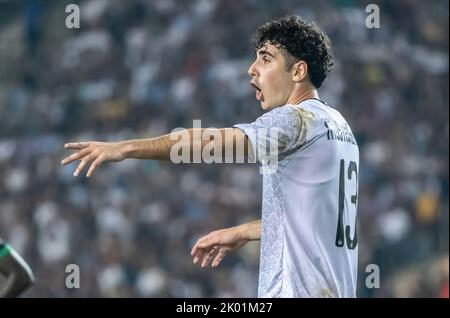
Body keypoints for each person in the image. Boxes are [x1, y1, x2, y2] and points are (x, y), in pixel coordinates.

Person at [61, 16, 359, 297]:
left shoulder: (295, 120)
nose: (252, 69)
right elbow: (312, 225)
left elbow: (209, 143)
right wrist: (244, 231)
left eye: (266, 59)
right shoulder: (340, 128)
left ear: (298, 71)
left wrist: (125, 148)